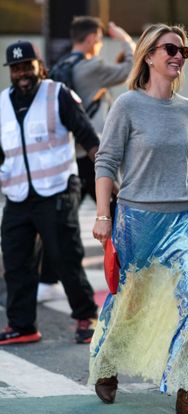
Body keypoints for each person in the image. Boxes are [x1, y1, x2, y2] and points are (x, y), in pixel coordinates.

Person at [89, 23, 188, 414]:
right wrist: (102, 214)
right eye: (170, 48)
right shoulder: (127, 105)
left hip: (184, 217)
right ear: (149, 55)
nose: (178, 55)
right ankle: (108, 363)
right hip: (137, 218)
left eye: (184, 49)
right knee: (128, 299)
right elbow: (106, 161)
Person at [0, 40, 99, 345]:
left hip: (56, 189)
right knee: (16, 262)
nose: (22, 74)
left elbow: (88, 137)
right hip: (17, 194)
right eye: (16, 69)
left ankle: (86, 316)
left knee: (65, 256)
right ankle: (22, 325)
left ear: (39, 66)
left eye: (27, 66)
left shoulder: (57, 94)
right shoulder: (2, 103)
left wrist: (108, 176)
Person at [38, 17, 135, 302]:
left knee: (63, 220)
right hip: (96, 155)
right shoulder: (91, 66)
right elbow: (130, 69)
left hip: (73, 154)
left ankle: (46, 280)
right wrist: (126, 39)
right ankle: (129, 273)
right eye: (100, 38)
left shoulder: (63, 66)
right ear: (93, 38)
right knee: (117, 214)